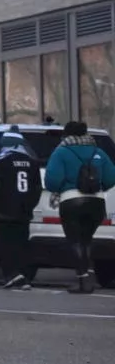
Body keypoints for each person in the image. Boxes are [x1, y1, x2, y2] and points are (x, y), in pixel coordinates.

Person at [43, 121, 115, 294]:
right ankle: (87, 278)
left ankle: (83, 281)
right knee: (87, 239)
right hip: (96, 203)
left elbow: (52, 181)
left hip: (71, 201)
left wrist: (61, 188)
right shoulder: (99, 152)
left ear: (66, 135)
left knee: (75, 241)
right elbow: (111, 177)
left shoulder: (61, 152)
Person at [0, 129, 42, 289]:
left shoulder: (2, 161)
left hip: (4, 211)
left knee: (2, 243)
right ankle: (24, 275)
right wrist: (30, 205)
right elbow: (37, 188)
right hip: (24, 212)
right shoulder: (32, 161)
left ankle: (11, 274)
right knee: (21, 243)